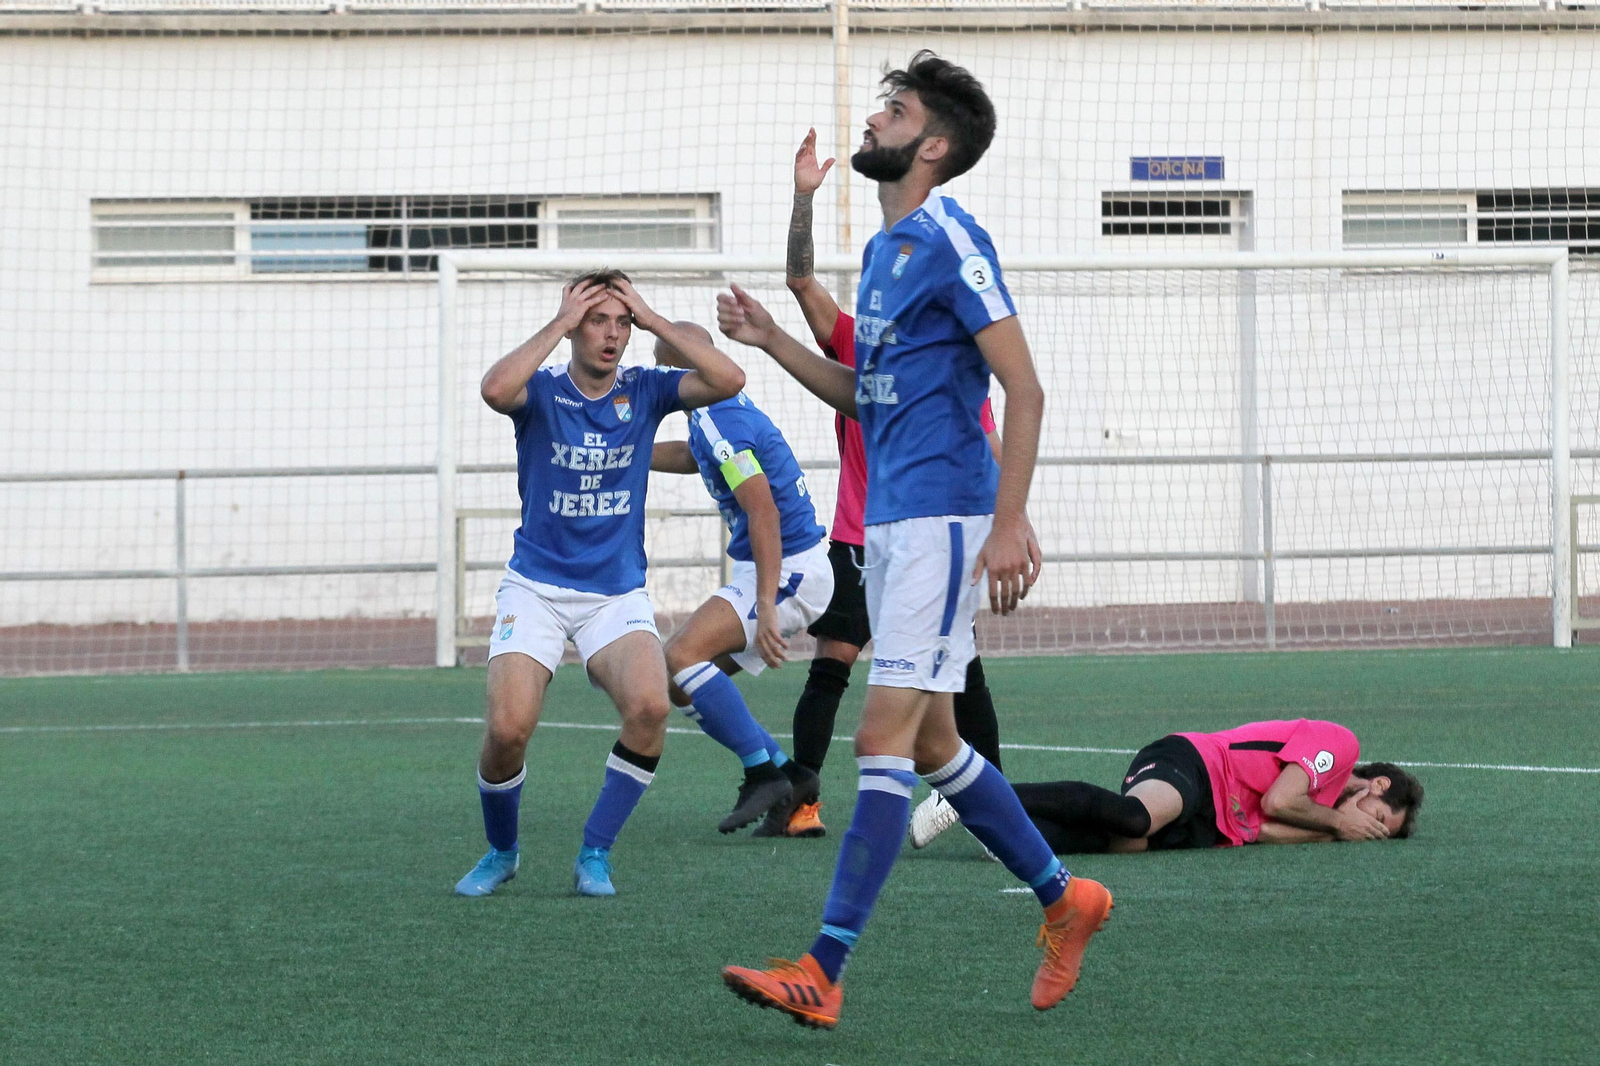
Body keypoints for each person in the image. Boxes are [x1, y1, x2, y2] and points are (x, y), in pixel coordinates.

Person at [717, 52, 1112, 1028]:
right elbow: (863, 397)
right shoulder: (886, 255)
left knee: (879, 734)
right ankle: (1067, 898)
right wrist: (773, 344)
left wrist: (1009, 519)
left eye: (891, 109)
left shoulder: (948, 236)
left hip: (943, 517)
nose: (873, 120)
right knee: (939, 746)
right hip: (889, 525)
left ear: (929, 145)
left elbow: (1024, 385)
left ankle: (824, 965)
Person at [771, 127, 1028, 845]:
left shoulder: (943, 325)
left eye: (897, 109)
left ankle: (827, 950)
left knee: (897, 722)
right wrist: (802, 200)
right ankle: (1052, 883)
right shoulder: (868, 322)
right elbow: (801, 285)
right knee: (897, 709)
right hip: (866, 533)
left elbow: (1002, 412)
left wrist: (1014, 518)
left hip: (931, 529)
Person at [454, 269, 745, 899]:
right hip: (535, 589)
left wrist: (653, 314)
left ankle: (595, 851)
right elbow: (493, 388)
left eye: (620, 322)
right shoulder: (542, 393)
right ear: (573, 328)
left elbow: (730, 379)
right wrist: (559, 322)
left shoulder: (645, 389)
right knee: (507, 732)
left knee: (649, 706)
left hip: (614, 594)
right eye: (597, 320)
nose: (611, 334)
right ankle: (501, 851)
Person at [647, 322, 834, 834]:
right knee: (679, 681)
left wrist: (767, 603)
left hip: (788, 567)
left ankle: (763, 774)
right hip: (786, 566)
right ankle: (791, 782)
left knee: (680, 655)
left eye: (660, 367)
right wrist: (630, 456)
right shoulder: (717, 411)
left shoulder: (714, 418)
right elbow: (696, 457)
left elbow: (764, 512)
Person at [1010, 719, 1424, 854]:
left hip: (1217, 826)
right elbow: (1278, 801)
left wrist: (1332, 827)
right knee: (1134, 820)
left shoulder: (1323, 824)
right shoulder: (1341, 746)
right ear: (1377, 785)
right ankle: (982, 793)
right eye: (1376, 819)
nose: (1367, 831)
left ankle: (1001, 835)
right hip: (1198, 763)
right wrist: (1337, 822)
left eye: (1376, 834)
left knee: (1119, 842)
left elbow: (1261, 829)